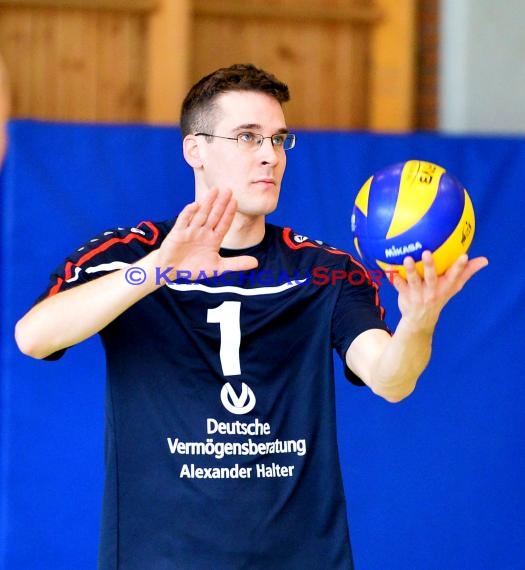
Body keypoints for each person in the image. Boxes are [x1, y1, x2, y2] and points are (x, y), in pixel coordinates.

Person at [15, 63, 488, 569]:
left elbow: (391, 380)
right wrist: (156, 272)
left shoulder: (324, 271)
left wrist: (419, 319)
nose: (270, 155)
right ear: (195, 149)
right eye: (248, 137)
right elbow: (34, 337)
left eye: (280, 140)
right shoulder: (130, 256)